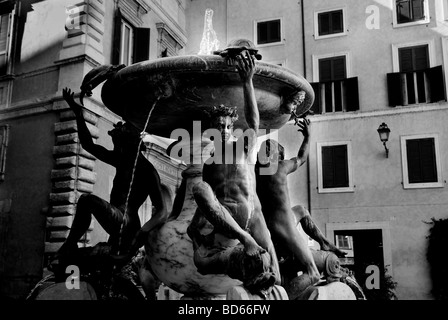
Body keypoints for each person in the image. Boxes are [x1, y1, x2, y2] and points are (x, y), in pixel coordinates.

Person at [187, 52, 280, 297]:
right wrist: (195, 229)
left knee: (275, 274)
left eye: (228, 125)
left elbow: (254, 121)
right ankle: (244, 241)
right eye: (219, 125)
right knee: (199, 189)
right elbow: (208, 198)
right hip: (228, 222)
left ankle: (269, 287)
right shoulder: (209, 161)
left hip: (253, 216)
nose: (224, 129)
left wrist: (247, 81)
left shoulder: (243, 146)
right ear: (211, 130)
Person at [55, 88, 169, 265]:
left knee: (87, 200)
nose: (116, 133)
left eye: (121, 131)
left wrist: (141, 234)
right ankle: (71, 247)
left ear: (131, 139)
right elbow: (88, 145)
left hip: (127, 224)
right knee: (105, 269)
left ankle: (70, 245)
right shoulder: (122, 160)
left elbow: (162, 211)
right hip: (118, 222)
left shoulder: (146, 170)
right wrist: (78, 112)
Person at [255, 119, 346, 294]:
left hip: (269, 224)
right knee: (313, 272)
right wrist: (308, 136)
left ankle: (324, 242)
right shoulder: (280, 167)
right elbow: (302, 157)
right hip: (286, 225)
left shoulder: (255, 173)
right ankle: (283, 297)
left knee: (301, 210)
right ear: (277, 156)